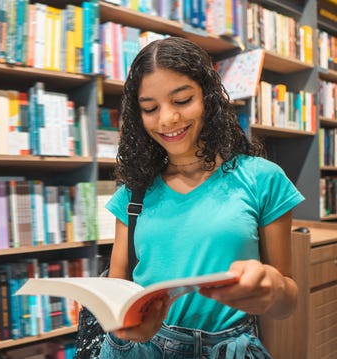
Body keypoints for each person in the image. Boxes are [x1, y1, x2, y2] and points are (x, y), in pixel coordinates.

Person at [98, 36, 305, 358]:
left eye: (182, 100)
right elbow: (117, 289)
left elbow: (286, 302)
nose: (167, 119)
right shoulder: (133, 192)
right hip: (140, 349)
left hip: (228, 347)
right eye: (150, 108)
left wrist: (274, 288)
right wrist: (124, 322)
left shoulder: (261, 178)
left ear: (208, 98)